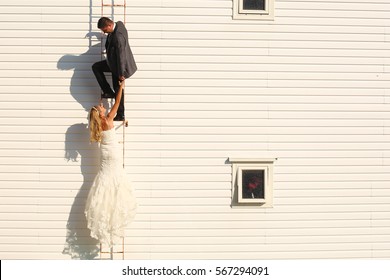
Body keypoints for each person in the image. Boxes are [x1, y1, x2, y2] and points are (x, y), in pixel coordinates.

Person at [85, 81, 137, 248]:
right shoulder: (107, 120)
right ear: (100, 114)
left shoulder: (97, 125)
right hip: (112, 153)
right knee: (116, 178)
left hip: (104, 155)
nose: (102, 106)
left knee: (105, 178)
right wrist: (121, 87)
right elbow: (117, 102)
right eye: (100, 107)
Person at [92, 17, 137, 121]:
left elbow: (121, 56)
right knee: (96, 67)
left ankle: (120, 114)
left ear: (109, 26)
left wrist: (121, 73)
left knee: (118, 89)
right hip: (113, 63)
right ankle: (108, 91)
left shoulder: (118, 37)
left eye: (104, 30)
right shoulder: (119, 24)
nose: (104, 32)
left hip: (119, 66)